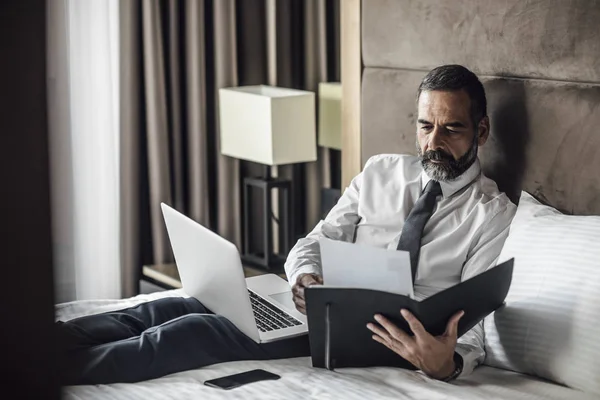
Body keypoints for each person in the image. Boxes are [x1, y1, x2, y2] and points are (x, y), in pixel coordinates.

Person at [58, 64, 516, 385]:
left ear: (481, 131)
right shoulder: (380, 171)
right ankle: (33, 345)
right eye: (424, 126)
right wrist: (302, 277)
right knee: (165, 309)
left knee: (193, 332)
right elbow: (315, 240)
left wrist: (448, 366)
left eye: (451, 129)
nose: (433, 142)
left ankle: (41, 373)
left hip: (374, 340)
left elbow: (475, 326)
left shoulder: (490, 215)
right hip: (314, 308)